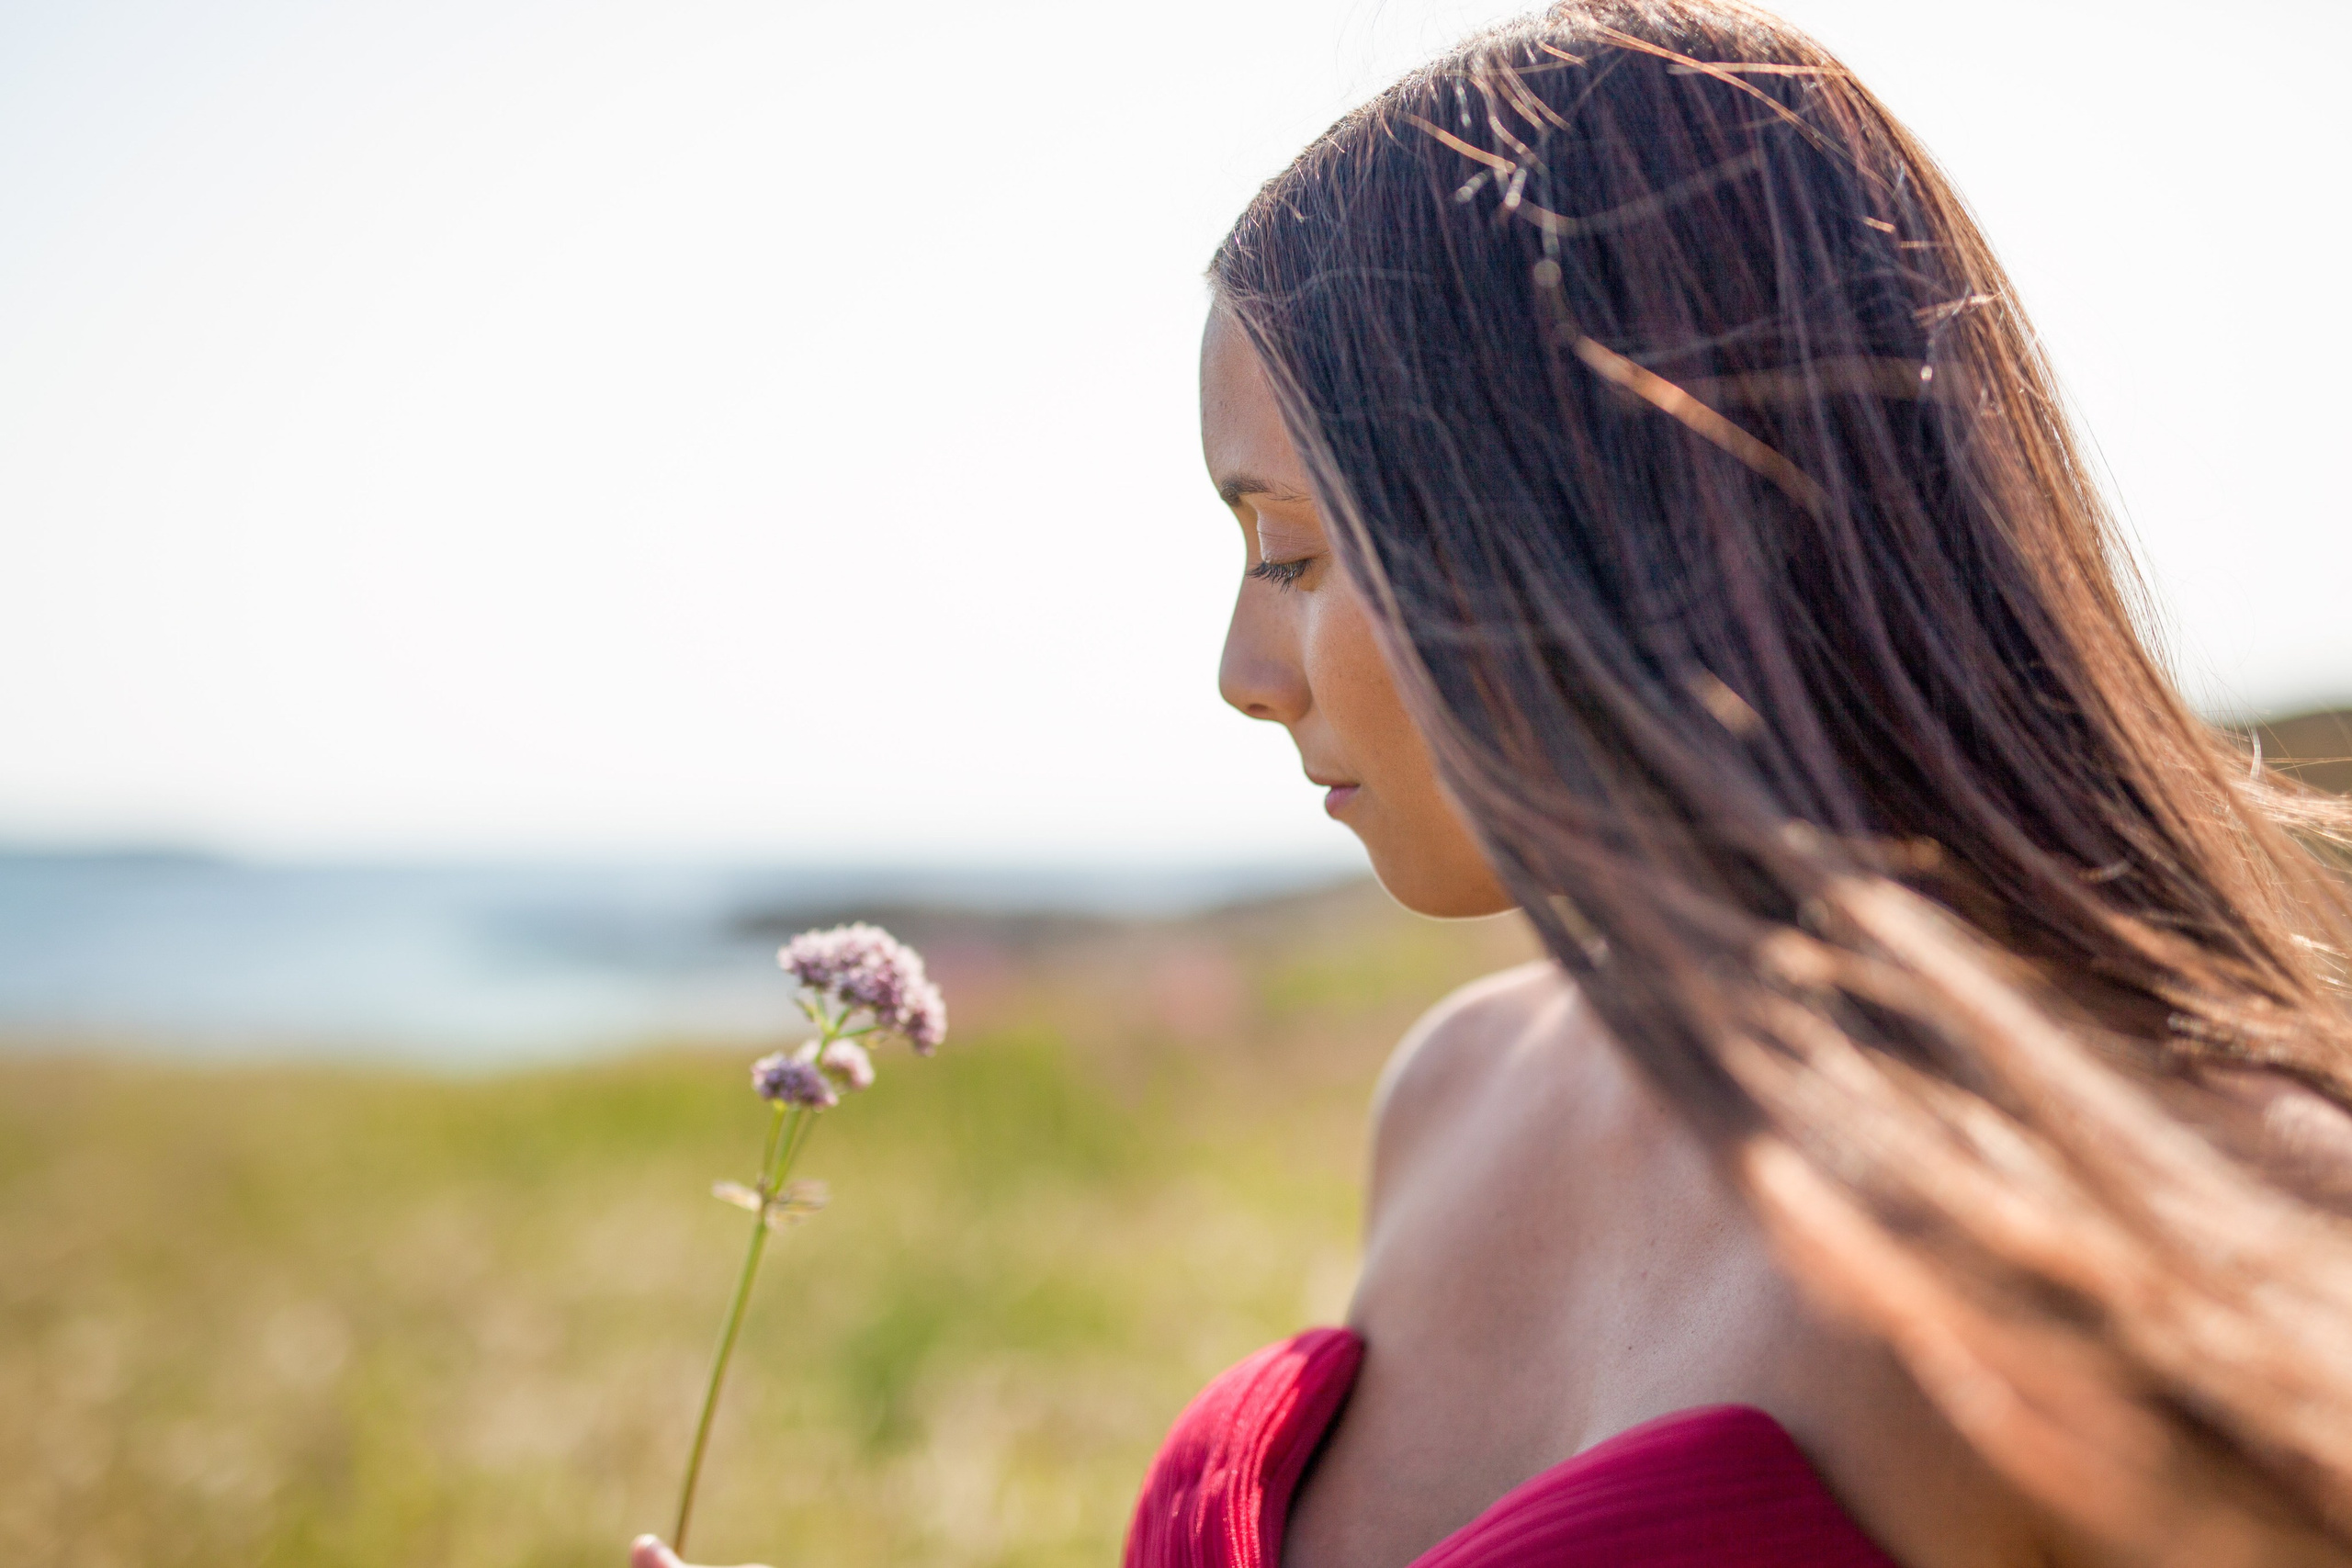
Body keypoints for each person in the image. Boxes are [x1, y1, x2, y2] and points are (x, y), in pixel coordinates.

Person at [635, 3, 2352, 1564]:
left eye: (1292, 555)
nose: (1243, 673)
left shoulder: (2235, 1222)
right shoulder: (1455, 1091)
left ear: (1605, 521)